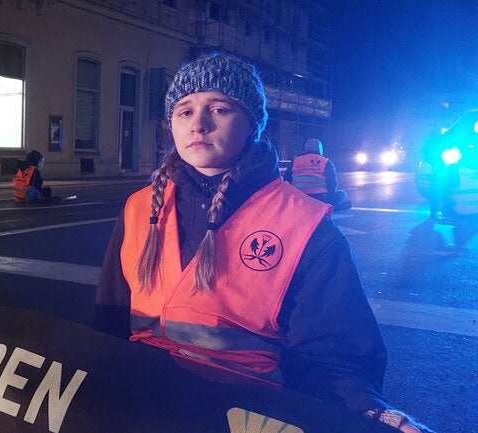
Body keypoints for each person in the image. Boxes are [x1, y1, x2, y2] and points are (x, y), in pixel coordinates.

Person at [94, 53, 431, 433]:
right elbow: (108, 321)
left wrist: (364, 412)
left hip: (243, 418)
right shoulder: (139, 208)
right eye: (184, 111)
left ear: (252, 123)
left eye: (219, 109)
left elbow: (333, 359)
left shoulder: (305, 226)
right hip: (140, 409)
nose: (199, 124)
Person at [283, 138, 352, 210]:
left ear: (306, 149)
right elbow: (332, 184)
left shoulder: (295, 161)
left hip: (298, 198)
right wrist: (331, 198)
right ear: (320, 149)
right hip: (320, 199)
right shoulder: (326, 162)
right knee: (342, 194)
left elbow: (286, 181)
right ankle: (334, 207)